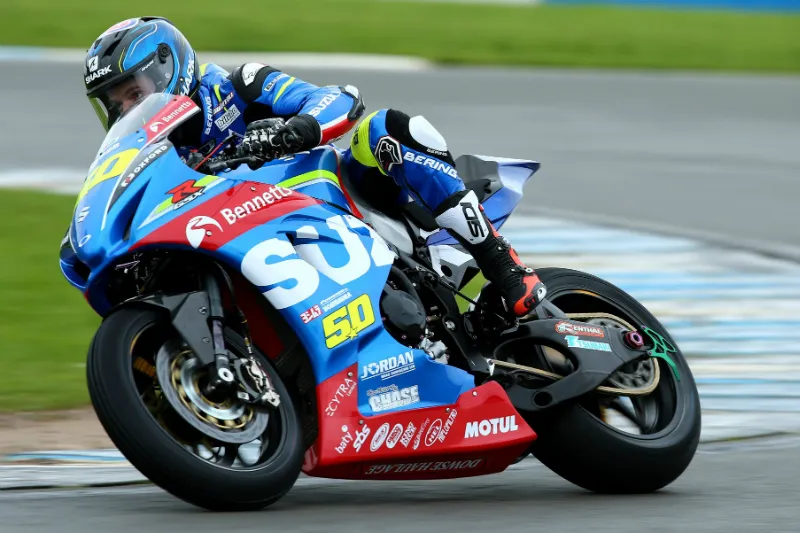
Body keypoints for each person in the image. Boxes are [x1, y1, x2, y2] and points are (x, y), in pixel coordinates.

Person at [83, 16, 546, 318]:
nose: (126, 108)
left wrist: (290, 131)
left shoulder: (238, 86)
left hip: (329, 197)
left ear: (168, 67)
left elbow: (338, 100)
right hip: (254, 241)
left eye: (135, 93)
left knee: (384, 129)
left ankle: (502, 264)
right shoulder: (158, 155)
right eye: (116, 102)